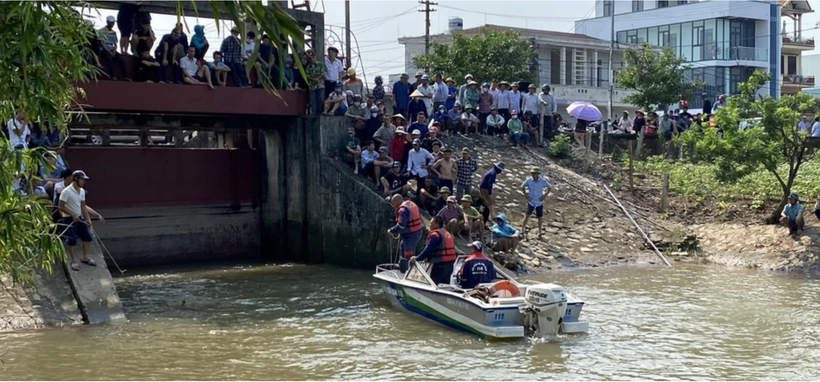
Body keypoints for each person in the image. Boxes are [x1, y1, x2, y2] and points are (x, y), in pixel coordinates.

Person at [57, 170, 95, 271]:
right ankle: (73, 260)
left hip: (79, 217)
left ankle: (85, 257)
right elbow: (60, 207)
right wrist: (72, 214)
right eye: (82, 179)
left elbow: (83, 206)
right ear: (76, 179)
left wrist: (87, 219)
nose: (84, 182)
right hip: (68, 218)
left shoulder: (82, 191)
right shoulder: (66, 191)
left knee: (87, 238)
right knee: (72, 240)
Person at [410, 216, 457, 286]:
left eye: (431, 223)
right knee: (444, 286)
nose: (429, 224)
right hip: (450, 265)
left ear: (437, 224)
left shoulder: (435, 235)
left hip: (440, 266)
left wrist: (417, 258)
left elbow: (428, 249)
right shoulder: (445, 233)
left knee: (434, 285)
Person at [389, 195, 424, 273]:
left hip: (411, 235)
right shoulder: (410, 203)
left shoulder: (402, 210)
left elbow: (401, 225)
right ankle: (402, 266)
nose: (393, 205)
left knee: (409, 253)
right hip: (418, 231)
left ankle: (411, 271)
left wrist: (391, 230)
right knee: (402, 245)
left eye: (393, 203)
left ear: (397, 201)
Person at [520, 167, 551, 240]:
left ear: (537, 174)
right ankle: (522, 230)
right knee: (527, 215)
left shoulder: (542, 181)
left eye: (534, 173)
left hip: (539, 202)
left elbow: (549, 187)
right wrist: (525, 194)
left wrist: (545, 195)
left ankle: (540, 232)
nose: (532, 175)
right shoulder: (528, 180)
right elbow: (522, 186)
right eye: (532, 173)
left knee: (539, 217)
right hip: (531, 201)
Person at [97, 16, 129, 81]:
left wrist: (114, 51)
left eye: (113, 22)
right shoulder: (101, 31)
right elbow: (102, 44)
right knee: (109, 59)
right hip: (104, 49)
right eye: (111, 22)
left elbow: (115, 44)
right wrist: (110, 52)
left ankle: (126, 76)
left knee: (121, 59)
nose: (112, 24)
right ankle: (112, 76)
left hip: (112, 49)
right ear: (107, 22)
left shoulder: (113, 32)